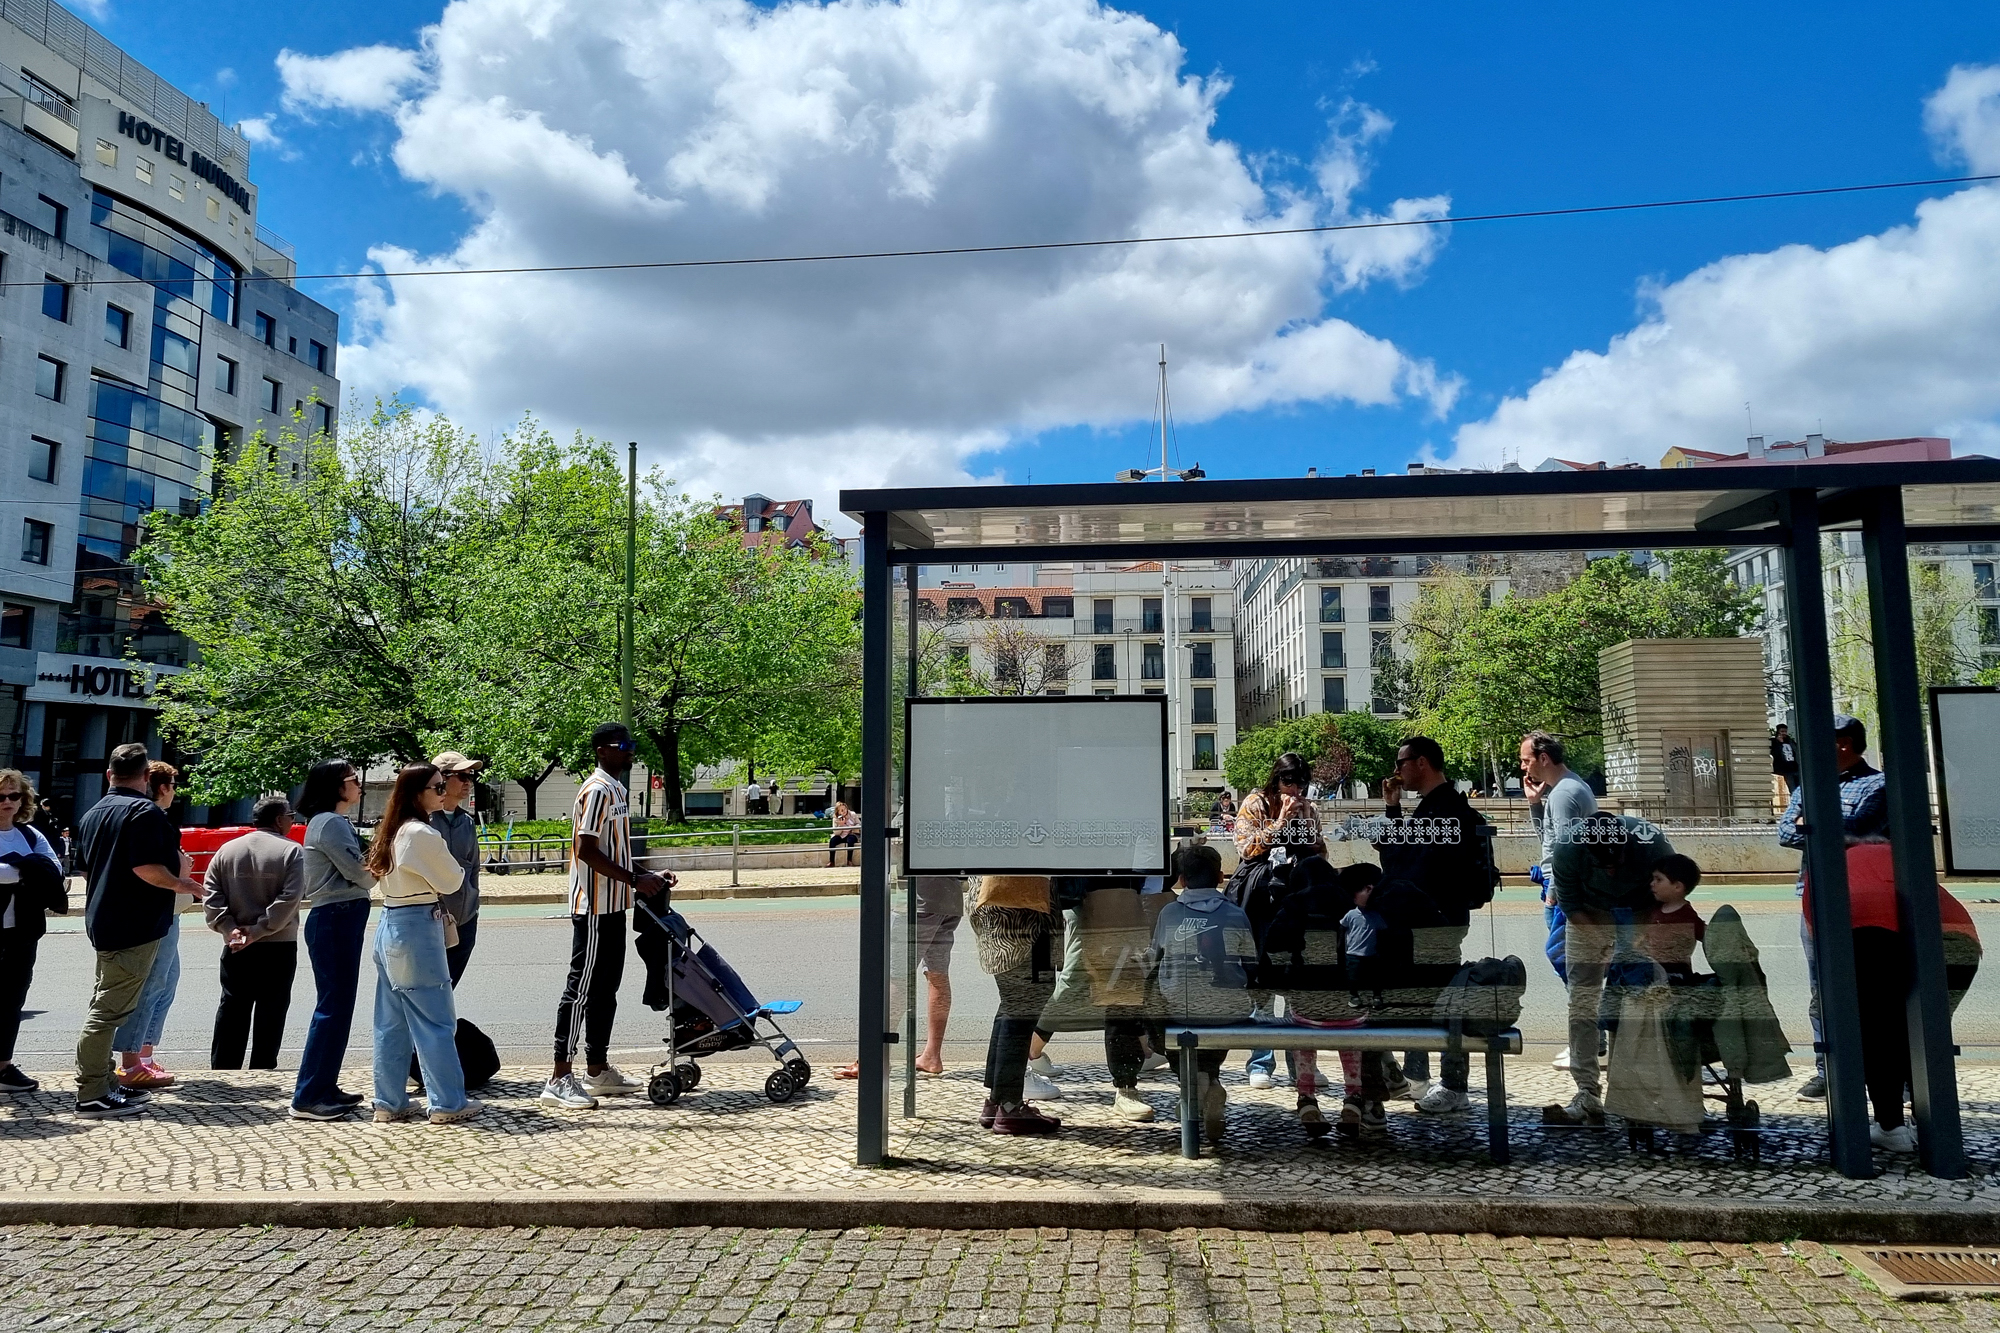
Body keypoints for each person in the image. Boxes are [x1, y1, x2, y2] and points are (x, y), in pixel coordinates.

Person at [1805, 837, 1981, 1153]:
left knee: (1878, 1037)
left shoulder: (1825, 868)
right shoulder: (1896, 853)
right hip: (1960, 941)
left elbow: (1823, 941)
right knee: (1920, 1033)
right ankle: (1931, 1123)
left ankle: (1891, 1127)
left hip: (1877, 936)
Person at [541, 723, 674, 1112]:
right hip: (594, 908)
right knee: (581, 990)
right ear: (602, 750)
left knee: (606, 991)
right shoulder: (597, 789)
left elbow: (615, 850)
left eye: (632, 744)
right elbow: (586, 849)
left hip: (616, 905)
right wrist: (635, 879)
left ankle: (597, 1070)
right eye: (623, 745)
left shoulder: (617, 789)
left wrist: (647, 876)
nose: (630, 751)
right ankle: (559, 1078)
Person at [71, 743, 204, 1119]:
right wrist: (183, 884)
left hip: (104, 920)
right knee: (107, 1012)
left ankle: (104, 1083)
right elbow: (147, 868)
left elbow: (86, 869)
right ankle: (92, 1092)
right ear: (146, 776)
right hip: (134, 925)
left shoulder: (94, 812)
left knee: (106, 1004)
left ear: (109, 775)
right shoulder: (144, 812)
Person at [1375, 735, 1490, 1114]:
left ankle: (1451, 1085)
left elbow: (1400, 864)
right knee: (1422, 996)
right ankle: (1419, 1077)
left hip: (1435, 920)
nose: (1397, 771)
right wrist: (1393, 808)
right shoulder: (1440, 807)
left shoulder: (1442, 812)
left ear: (1421, 762)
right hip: (1440, 918)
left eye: (1401, 763)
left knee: (1438, 998)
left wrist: (1392, 821)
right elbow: (1402, 858)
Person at [364, 763, 482, 1125]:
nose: (444, 792)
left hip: (390, 920)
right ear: (418, 793)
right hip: (417, 924)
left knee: (391, 1021)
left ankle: (389, 1100)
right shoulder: (421, 833)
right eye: (437, 787)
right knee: (435, 1020)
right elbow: (452, 880)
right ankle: (447, 1102)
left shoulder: (392, 828)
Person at [1778, 713, 1886, 1100]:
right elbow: (1785, 833)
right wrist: (1826, 827)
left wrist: (1813, 823)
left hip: (1867, 899)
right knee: (1820, 988)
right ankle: (1829, 1071)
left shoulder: (1878, 784)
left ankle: (1890, 1073)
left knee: (1874, 986)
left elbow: (1859, 830)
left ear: (1844, 744)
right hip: (1816, 896)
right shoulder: (1810, 785)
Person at [1545, 811, 1676, 1126]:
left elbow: (1673, 893)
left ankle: (1632, 1087)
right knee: (1582, 1000)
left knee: (1643, 997)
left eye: (1617, 861)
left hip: (1644, 909)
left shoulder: (1652, 844)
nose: (1612, 870)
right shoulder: (1567, 849)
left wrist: (1638, 941)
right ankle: (1587, 1091)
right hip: (1589, 912)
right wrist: (1604, 944)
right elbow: (1571, 906)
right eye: (1604, 865)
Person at [1152, 844, 1259, 1145]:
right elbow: (1251, 964)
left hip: (1179, 1010)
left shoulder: (1170, 913)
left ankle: (1195, 1086)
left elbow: (1154, 957)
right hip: (1229, 1011)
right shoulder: (1236, 913)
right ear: (1221, 877)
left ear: (1182, 880)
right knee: (1215, 1015)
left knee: (1169, 1022)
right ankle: (1211, 1079)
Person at [291, 759, 375, 1122]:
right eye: (353, 779)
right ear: (336, 787)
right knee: (333, 1008)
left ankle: (323, 1086)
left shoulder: (327, 822)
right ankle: (309, 1095)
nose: (359, 785)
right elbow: (362, 874)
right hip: (337, 916)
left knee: (337, 1007)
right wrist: (377, 864)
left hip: (338, 916)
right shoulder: (331, 823)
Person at [1232, 752, 1320, 1088]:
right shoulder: (1256, 803)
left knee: (1299, 980)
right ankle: (1260, 1061)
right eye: (1288, 781)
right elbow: (1246, 848)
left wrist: (1305, 823)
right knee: (1263, 979)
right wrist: (1280, 820)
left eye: (1301, 783)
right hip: (1262, 900)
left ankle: (1302, 1063)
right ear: (1276, 779)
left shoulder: (1308, 808)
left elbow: (1320, 853)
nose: (1294, 789)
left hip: (1296, 899)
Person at [203, 796, 306, 1070]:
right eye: (290, 816)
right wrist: (260, 929)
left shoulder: (227, 850)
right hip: (279, 943)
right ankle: (262, 1068)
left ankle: (224, 1069)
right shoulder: (292, 851)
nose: (292, 821)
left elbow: (211, 896)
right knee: (272, 1010)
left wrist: (229, 928)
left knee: (232, 1006)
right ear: (279, 820)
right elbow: (290, 899)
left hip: (236, 944)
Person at [1522, 730, 1596, 1070]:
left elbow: (1566, 852)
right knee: (1573, 964)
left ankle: (1587, 1041)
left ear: (1544, 758)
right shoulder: (1563, 790)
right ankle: (1590, 1039)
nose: (1523, 767)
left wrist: (1555, 895)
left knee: (1568, 962)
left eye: (1526, 760)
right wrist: (1535, 805)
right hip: (1560, 887)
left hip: (1563, 892)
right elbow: (1550, 841)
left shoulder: (1565, 794)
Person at [112, 761, 188, 1092]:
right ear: (163, 787)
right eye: (172, 785)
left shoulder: (153, 819)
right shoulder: (150, 819)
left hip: (167, 911)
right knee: (154, 982)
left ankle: (143, 1054)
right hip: (157, 912)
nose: (174, 792)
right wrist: (182, 873)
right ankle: (132, 1062)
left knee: (165, 981)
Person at [969, 874, 1062, 1134]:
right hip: (1022, 914)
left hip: (1023, 913)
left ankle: (998, 1101)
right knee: (1021, 1005)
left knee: (1017, 1002)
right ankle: (1009, 1107)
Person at [0, 769, 63, 1095]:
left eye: (14, 796)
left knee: (12, 1000)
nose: (8, 802)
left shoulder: (30, 834)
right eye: (1, 796)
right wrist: (27, 868)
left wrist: (17, 869)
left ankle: (3, 1067)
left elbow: (54, 870)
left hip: (22, 931)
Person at [430, 751, 483, 986]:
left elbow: (474, 868)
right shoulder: (423, 820)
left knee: (448, 988)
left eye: (470, 776)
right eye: (462, 776)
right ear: (441, 778)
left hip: (465, 919)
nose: (468, 782)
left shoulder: (467, 821)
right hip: (429, 920)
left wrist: (472, 903)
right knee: (428, 991)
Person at [912, 876, 965, 1077]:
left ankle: (871, 1058)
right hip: (949, 897)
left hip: (920, 897)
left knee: (895, 975)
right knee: (938, 974)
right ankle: (931, 1056)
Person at [1771, 725, 1800, 804]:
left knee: (1799, 788)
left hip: (1794, 767)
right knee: (1792, 789)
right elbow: (1775, 754)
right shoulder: (1774, 742)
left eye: (1785, 731)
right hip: (1784, 769)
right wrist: (1779, 743)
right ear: (1778, 732)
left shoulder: (1790, 741)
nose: (1784, 733)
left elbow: (1796, 751)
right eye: (1782, 731)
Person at [828, 801, 860, 867]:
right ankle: (831, 861)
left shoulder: (852, 814)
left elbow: (859, 824)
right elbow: (835, 832)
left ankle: (849, 860)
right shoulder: (836, 818)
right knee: (832, 841)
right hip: (841, 835)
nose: (844, 811)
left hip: (851, 834)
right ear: (838, 812)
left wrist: (853, 827)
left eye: (845, 809)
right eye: (842, 810)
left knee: (850, 840)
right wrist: (841, 825)